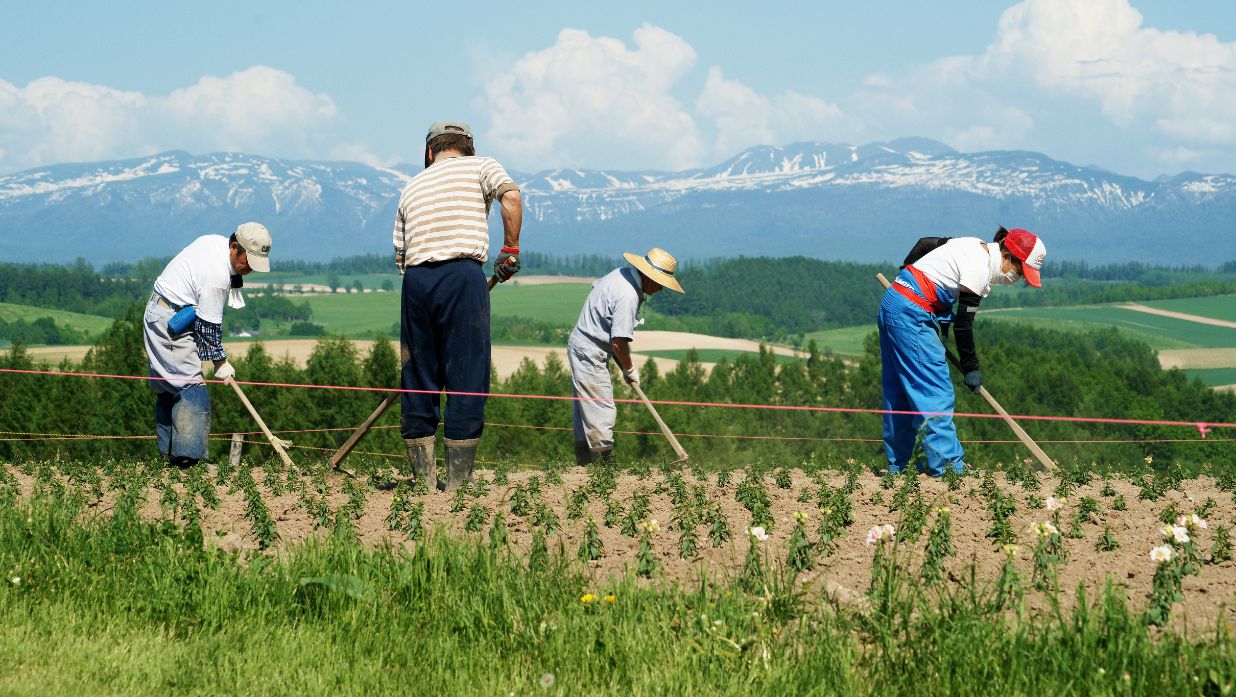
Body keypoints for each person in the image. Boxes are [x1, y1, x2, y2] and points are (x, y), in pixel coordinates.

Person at [393, 121, 522, 491]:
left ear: (430, 152)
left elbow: (401, 255)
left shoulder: (412, 185)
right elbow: (511, 197)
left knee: (418, 376)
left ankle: (422, 482)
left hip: (416, 283)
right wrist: (510, 249)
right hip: (464, 276)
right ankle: (458, 484)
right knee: (466, 375)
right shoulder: (481, 166)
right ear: (468, 147)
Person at [878, 227, 1046, 476]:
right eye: (1021, 272)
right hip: (911, 314)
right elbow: (964, 327)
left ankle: (900, 466)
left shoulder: (970, 243)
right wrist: (972, 368)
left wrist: (906, 275)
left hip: (894, 302)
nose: (1018, 279)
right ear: (1009, 255)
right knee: (934, 391)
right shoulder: (978, 269)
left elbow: (924, 243)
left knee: (900, 391)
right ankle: (947, 469)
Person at [143, 222, 272, 468]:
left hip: (161, 311)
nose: (250, 270)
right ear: (235, 247)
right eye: (249, 262)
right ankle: (189, 462)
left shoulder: (215, 242)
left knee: (170, 387)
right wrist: (221, 363)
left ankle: (169, 456)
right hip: (172, 320)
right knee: (192, 388)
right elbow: (209, 327)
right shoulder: (217, 276)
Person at [568, 247, 685, 465]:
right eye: (660, 283)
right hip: (590, 349)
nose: (660, 289)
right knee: (601, 409)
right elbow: (618, 341)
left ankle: (583, 467)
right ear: (649, 277)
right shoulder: (629, 295)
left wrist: (623, 366)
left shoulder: (621, 274)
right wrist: (629, 369)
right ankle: (603, 469)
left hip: (584, 344)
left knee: (586, 411)